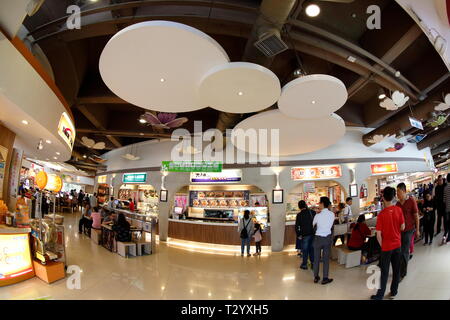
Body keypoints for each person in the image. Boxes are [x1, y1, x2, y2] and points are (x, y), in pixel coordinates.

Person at [371, 187, 405, 300]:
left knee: (384, 272)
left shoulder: (381, 215)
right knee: (396, 270)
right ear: (394, 196)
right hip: (397, 245)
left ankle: (380, 295)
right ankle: (394, 291)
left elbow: (378, 235)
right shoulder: (399, 210)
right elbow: (402, 226)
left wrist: (383, 246)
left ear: (383, 198)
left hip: (386, 247)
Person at [396, 182, 420, 280]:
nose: (397, 194)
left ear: (404, 191)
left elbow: (416, 216)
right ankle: (401, 269)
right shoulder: (397, 204)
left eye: (399, 192)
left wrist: (417, 230)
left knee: (405, 251)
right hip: (400, 231)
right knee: (400, 251)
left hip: (409, 229)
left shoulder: (411, 201)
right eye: (397, 193)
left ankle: (402, 273)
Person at [312, 197, 334, 285]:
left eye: (320, 203)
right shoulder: (332, 214)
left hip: (318, 238)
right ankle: (325, 278)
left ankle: (316, 277)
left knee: (316, 258)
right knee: (326, 259)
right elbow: (331, 225)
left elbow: (313, 225)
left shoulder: (317, 215)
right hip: (327, 238)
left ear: (322, 204)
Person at [296, 200, 315, 270]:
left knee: (305, 250)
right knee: (312, 249)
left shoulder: (299, 215)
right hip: (313, 234)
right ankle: (313, 264)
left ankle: (304, 264)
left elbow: (297, 226)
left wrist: (299, 235)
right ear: (305, 205)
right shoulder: (312, 212)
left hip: (305, 235)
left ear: (299, 207)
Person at [443, 173, 450, 244]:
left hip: (447, 209)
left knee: (447, 223)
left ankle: (445, 235)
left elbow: (444, 200)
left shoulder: (445, 188)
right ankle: (448, 238)